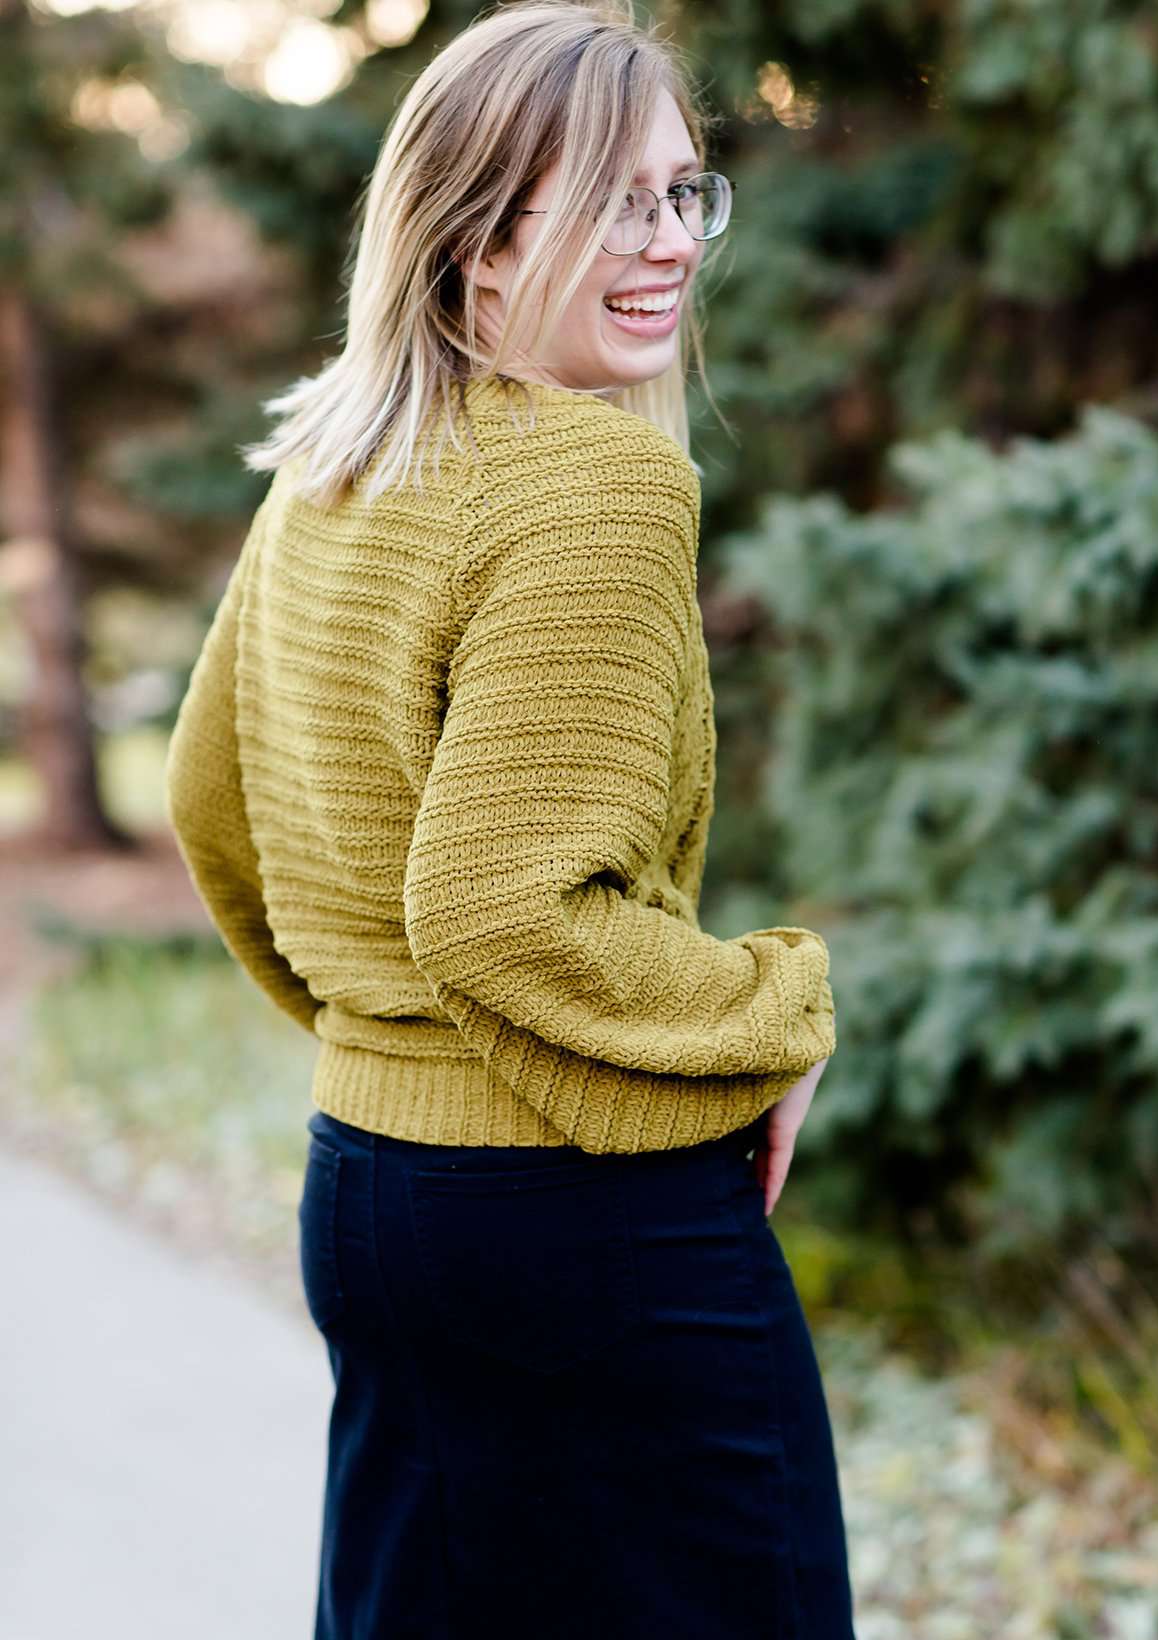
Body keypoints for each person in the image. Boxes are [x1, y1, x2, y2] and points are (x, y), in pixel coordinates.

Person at [163, 2, 856, 1634]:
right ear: (475, 241)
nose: (671, 241)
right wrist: (784, 1007)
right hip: (587, 1223)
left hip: (372, 1199)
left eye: (687, 194)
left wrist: (384, 1041)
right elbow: (502, 913)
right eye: (615, 200)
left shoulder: (335, 460)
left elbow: (212, 804)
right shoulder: (596, 487)